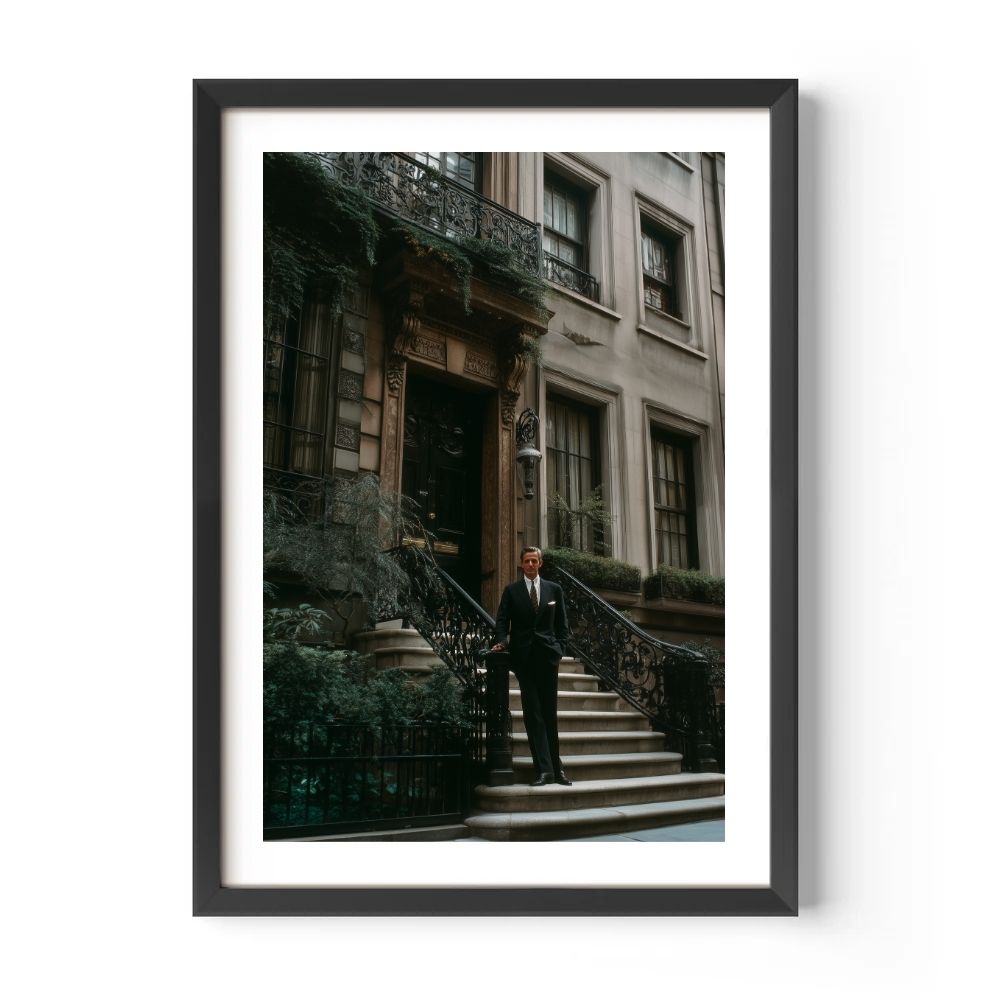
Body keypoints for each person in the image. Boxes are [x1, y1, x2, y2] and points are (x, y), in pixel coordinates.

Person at [491, 546, 571, 786]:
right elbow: (502, 620)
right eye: (526, 561)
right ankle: (544, 770)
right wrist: (502, 641)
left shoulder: (553, 589)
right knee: (533, 714)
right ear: (521, 564)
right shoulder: (512, 591)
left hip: (548, 659)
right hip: (524, 659)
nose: (530, 565)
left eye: (534, 561)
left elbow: (562, 625)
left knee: (549, 714)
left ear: (540, 563)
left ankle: (558, 770)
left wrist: (559, 649)